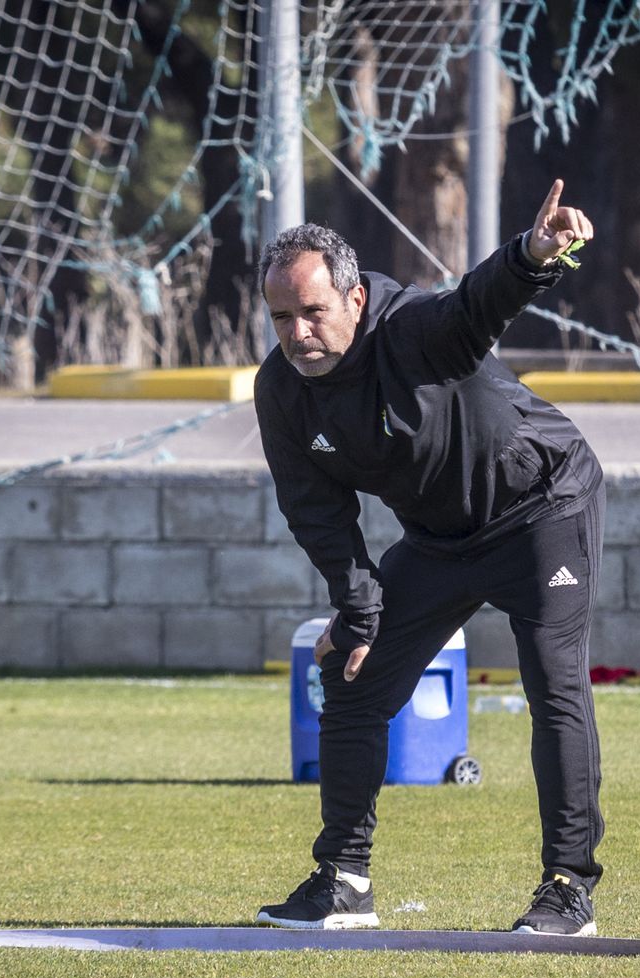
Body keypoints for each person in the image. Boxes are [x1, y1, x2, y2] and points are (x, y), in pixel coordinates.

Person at [252, 181, 605, 936]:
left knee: (553, 679)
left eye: (312, 311)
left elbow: (477, 302)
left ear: (352, 300)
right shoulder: (281, 390)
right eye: (281, 316)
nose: (297, 332)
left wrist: (532, 254)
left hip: (543, 505)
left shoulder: (413, 328)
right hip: (439, 539)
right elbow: (315, 511)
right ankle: (343, 881)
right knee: (349, 676)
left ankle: (568, 886)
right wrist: (358, 610)